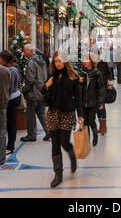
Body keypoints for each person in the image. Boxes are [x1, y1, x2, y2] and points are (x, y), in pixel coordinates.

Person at [41, 51, 83, 188]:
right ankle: (58, 173)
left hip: (67, 112)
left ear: (65, 61)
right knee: (55, 144)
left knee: (64, 142)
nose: (58, 63)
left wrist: (81, 115)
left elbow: (78, 98)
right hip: (53, 112)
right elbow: (43, 91)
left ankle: (72, 156)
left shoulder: (73, 77)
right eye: (56, 61)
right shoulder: (51, 76)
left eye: (60, 61)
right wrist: (47, 85)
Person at [21, 43, 51, 142]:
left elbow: (30, 79)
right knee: (41, 113)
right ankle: (49, 132)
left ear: (31, 51)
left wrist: (25, 89)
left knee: (30, 115)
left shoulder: (32, 62)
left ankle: (31, 135)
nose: (24, 53)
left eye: (25, 51)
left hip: (33, 92)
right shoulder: (41, 60)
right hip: (41, 91)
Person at [79, 52, 105, 147]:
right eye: (84, 59)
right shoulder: (81, 72)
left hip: (93, 102)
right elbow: (76, 88)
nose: (84, 61)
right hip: (82, 102)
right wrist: (79, 82)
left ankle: (95, 136)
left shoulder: (97, 73)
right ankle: (87, 140)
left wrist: (100, 101)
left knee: (91, 121)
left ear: (92, 61)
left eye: (87, 59)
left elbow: (101, 88)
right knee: (85, 123)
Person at [0, 50, 21, 155]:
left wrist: (3, 98)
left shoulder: (10, 70)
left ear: (4, 60)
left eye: (0, 59)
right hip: (15, 96)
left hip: (11, 99)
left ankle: (10, 146)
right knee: (11, 122)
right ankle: (9, 144)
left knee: (11, 123)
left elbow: (10, 88)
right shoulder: (13, 68)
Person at [95, 51, 113, 135]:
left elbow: (109, 73)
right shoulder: (90, 64)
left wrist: (110, 83)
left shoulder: (103, 62)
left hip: (103, 86)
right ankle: (100, 125)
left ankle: (103, 127)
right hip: (94, 88)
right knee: (97, 106)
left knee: (102, 105)